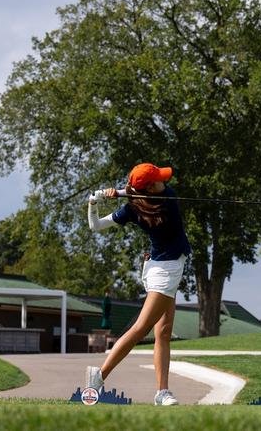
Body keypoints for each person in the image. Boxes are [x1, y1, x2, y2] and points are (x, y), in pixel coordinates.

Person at [85, 162, 191, 406]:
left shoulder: (133, 207)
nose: (165, 180)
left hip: (159, 266)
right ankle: (99, 376)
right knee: (141, 328)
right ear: (151, 189)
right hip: (165, 272)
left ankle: (162, 392)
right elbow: (97, 226)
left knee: (163, 332)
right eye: (159, 178)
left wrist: (96, 201)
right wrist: (111, 196)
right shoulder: (168, 197)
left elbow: (95, 224)